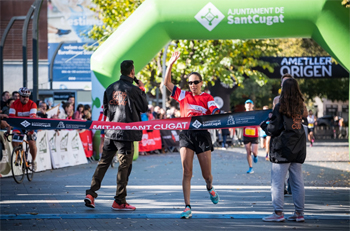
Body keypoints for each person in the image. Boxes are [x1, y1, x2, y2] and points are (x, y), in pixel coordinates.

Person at [163, 51, 220, 219]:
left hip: (202, 136)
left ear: (201, 83)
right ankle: (187, 206)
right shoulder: (183, 95)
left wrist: (217, 113)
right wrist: (171, 63)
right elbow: (166, 82)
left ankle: (209, 187)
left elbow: (215, 111)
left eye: (196, 82)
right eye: (190, 83)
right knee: (186, 171)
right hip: (186, 134)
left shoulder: (207, 97)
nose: (193, 85)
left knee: (206, 175)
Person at [85, 60, 148, 211]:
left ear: (121, 71)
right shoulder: (134, 89)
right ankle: (119, 200)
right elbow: (144, 107)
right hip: (126, 134)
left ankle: (91, 194)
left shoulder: (109, 88)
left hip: (110, 131)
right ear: (132, 72)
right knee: (124, 167)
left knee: (103, 163)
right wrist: (142, 88)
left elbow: (106, 111)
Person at [260, 78, 307, 222]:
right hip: (298, 147)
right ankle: (299, 214)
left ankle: (278, 213)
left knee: (277, 182)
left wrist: (264, 125)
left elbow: (273, 129)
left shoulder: (280, 106)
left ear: (284, 90)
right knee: (297, 182)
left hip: (282, 149)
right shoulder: (300, 107)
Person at [9, 87, 38, 170]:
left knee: (31, 142)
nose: (25, 98)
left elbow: (32, 117)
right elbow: (11, 118)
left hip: (30, 125)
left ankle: (33, 160)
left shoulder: (33, 104)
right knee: (14, 139)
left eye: (27, 97)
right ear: (20, 96)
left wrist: (30, 130)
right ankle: (18, 156)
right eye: (23, 96)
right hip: (18, 125)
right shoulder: (14, 104)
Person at [243, 99, 259, 174]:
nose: (248, 105)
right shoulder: (242, 114)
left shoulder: (255, 114)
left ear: (252, 105)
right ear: (245, 106)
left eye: (250, 104)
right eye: (247, 104)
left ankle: (255, 156)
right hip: (246, 135)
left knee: (254, 152)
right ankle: (250, 167)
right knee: (248, 151)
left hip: (254, 135)